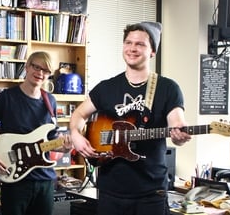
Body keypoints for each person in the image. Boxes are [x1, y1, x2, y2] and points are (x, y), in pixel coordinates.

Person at [69, 22, 192, 215]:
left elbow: (177, 122)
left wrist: (179, 134)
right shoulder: (106, 88)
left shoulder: (167, 88)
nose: (132, 48)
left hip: (151, 192)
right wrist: (76, 134)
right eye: (128, 42)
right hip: (110, 190)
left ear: (152, 51)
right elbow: (78, 114)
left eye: (140, 44)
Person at [0, 51, 74, 215]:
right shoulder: (6, 98)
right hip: (15, 181)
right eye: (36, 67)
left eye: (45, 70)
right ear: (27, 67)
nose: (40, 73)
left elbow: (52, 141)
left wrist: (65, 148)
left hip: (44, 180)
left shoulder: (50, 100)